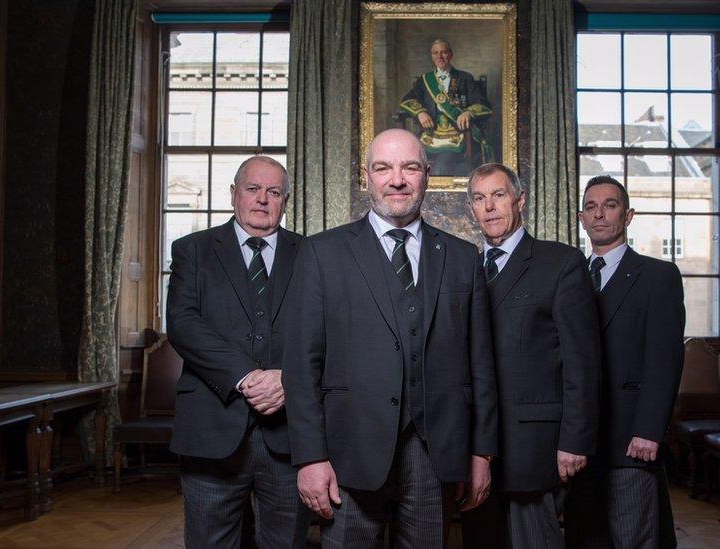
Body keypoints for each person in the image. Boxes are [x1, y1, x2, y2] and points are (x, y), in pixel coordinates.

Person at [282, 128, 499, 548]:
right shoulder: (322, 253)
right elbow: (301, 364)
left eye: (410, 167)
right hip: (349, 451)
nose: (396, 179)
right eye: (383, 168)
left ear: (427, 176)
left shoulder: (461, 257)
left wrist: (481, 453)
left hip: (434, 454)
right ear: (367, 177)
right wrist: (310, 457)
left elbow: (481, 366)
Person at [166, 156, 310, 548]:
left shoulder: (312, 254)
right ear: (234, 194)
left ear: (285, 200)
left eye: (274, 192)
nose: (263, 199)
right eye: (253, 189)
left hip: (289, 435)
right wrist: (247, 377)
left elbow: (328, 333)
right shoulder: (192, 250)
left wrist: (289, 379)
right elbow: (182, 323)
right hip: (211, 429)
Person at [461, 163, 601, 549]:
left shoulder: (560, 263)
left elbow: (582, 362)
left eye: (499, 195)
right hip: (474, 444)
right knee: (480, 539)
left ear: (520, 200)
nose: (489, 206)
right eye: (479, 198)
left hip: (533, 444)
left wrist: (575, 440)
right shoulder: (463, 266)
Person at [567, 175, 685, 549]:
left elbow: (664, 359)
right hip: (580, 442)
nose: (599, 214)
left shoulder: (658, 276)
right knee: (587, 538)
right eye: (591, 207)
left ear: (628, 215)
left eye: (610, 205)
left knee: (633, 538)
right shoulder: (569, 278)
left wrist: (650, 430)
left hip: (631, 439)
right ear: (582, 218)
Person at [399, 38, 493, 176]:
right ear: (432, 56)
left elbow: (483, 104)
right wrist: (420, 112)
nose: (439, 57)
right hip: (431, 133)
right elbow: (407, 99)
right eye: (435, 53)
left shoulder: (465, 78)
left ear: (451, 54)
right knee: (410, 162)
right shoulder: (425, 80)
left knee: (441, 166)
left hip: (458, 134)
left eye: (443, 52)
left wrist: (468, 113)